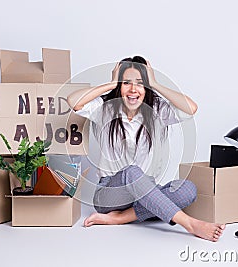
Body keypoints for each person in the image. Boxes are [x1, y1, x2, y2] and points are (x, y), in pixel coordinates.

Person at [67, 56, 225, 242]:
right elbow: (74, 101)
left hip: (144, 190)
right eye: (126, 83)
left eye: (140, 84)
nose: (133, 89)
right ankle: (189, 223)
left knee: (187, 189)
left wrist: (156, 84)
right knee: (132, 172)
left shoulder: (156, 110)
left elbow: (190, 108)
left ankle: (121, 217)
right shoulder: (105, 108)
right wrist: (111, 84)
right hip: (109, 194)